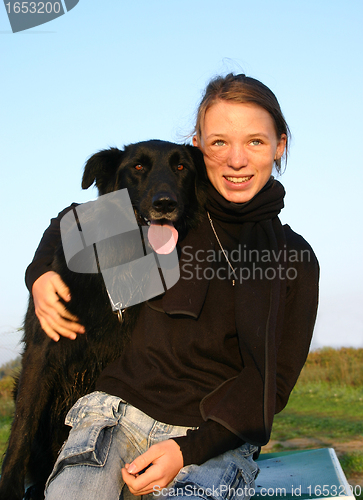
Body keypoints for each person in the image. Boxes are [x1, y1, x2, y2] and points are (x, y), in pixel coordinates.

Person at [25, 73, 319, 500]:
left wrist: (187, 451)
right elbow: (70, 221)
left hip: (213, 438)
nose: (236, 159)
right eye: (220, 142)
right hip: (116, 415)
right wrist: (39, 275)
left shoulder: (295, 258)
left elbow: (270, 388)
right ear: (197, 147)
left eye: (255, 141)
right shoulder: (169, 216)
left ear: (280, 145)